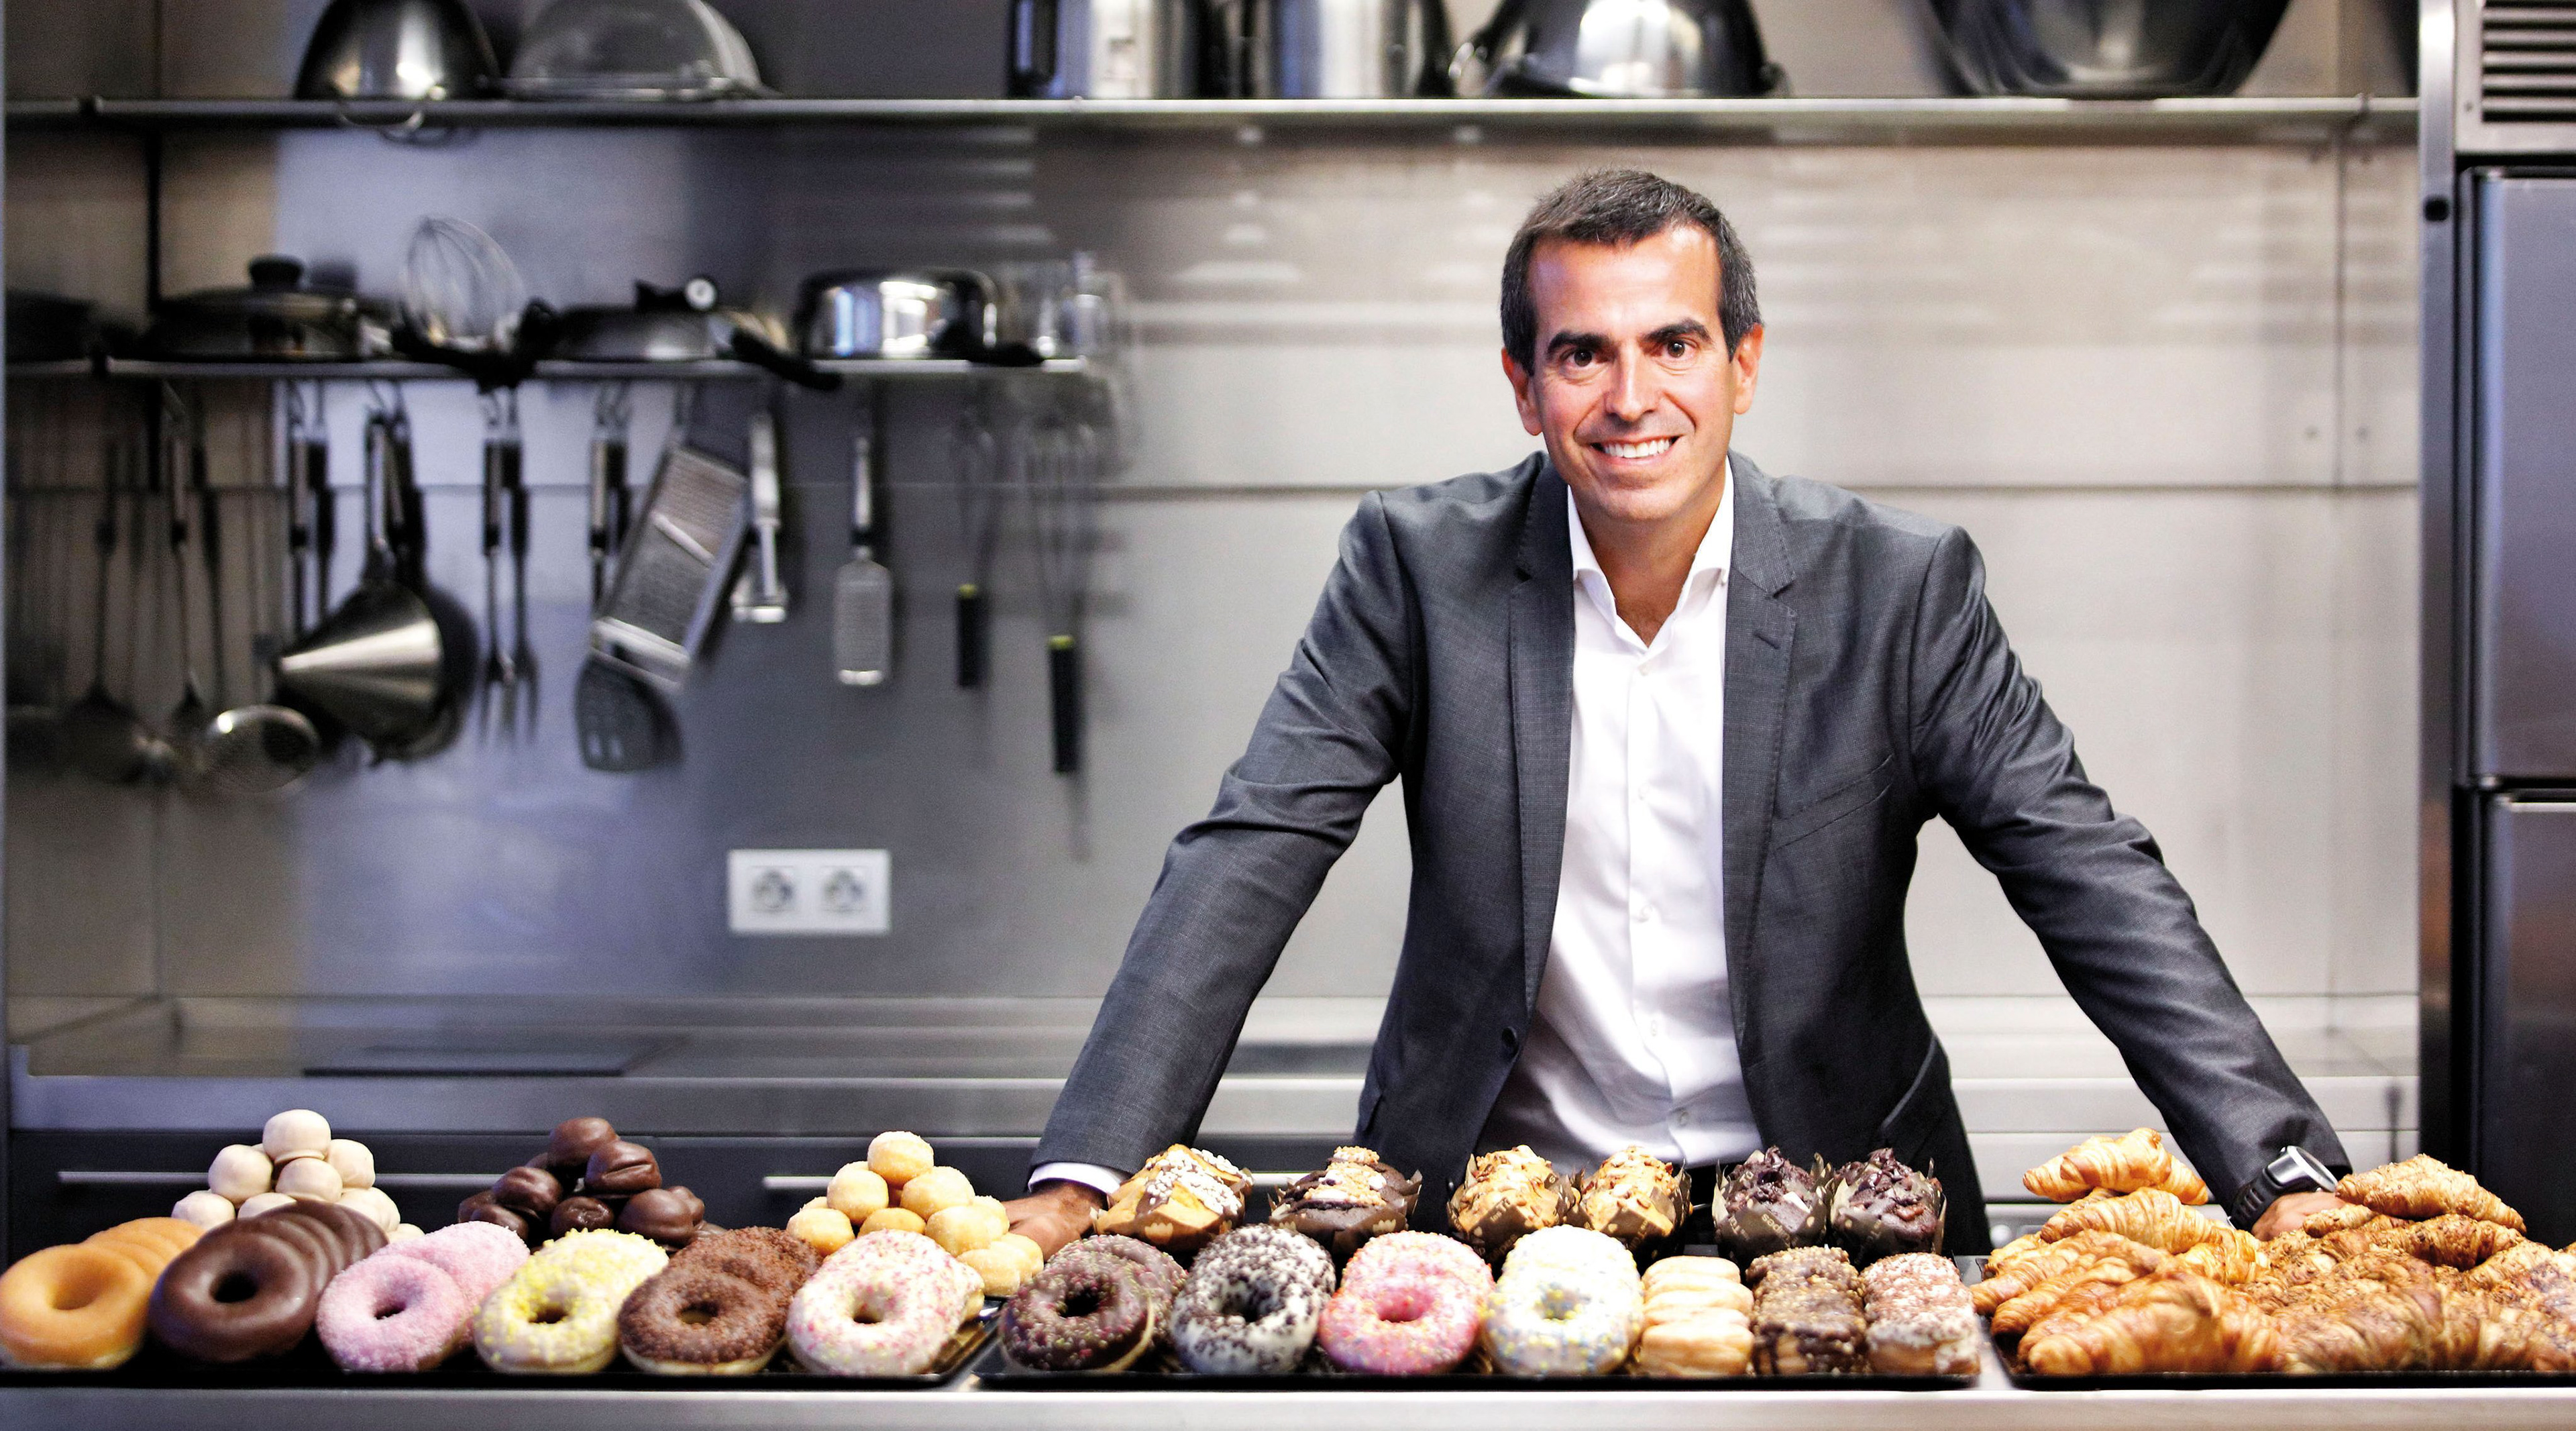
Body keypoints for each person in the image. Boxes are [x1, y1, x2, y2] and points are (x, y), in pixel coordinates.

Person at [1004, 168, 2351, 1258]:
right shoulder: (1416, 571)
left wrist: (2278, 1172)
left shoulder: (1898, 589)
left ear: (1743, 363)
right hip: (1499, 1218)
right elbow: (1251, 848)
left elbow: (2089, 870)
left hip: (1841, 1215)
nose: (1630, 397)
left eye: (1673, 344)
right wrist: (1083, 1175)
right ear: (1524, 386)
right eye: (1582, 354)